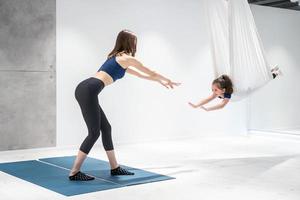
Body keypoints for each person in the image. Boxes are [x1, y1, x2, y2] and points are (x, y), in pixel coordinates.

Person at [69, 30, 180, 181]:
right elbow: (151, 71)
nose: (135, 44)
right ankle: (74, 172)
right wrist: (167, 79)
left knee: (106, 128)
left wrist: (159, 81)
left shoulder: (117, 58)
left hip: (86, 88)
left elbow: (142, 75)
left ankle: (115, 168)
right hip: (88, 90)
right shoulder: (126, 58)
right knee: (94, 133)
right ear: (128, 42)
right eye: (134, 41)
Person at [188, 67, 281, 111]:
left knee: (260, 82)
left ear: (223, 90)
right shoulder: (218, 91)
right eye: (212, 90)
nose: (213, 92)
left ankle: (275, 73)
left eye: (215, 90)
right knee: (259, 80)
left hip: (244, 91)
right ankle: (272, 71)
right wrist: (196, 105)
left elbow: (222, 105)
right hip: (243, 87)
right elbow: (208, 98)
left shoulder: (227, 93)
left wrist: (208, 109)